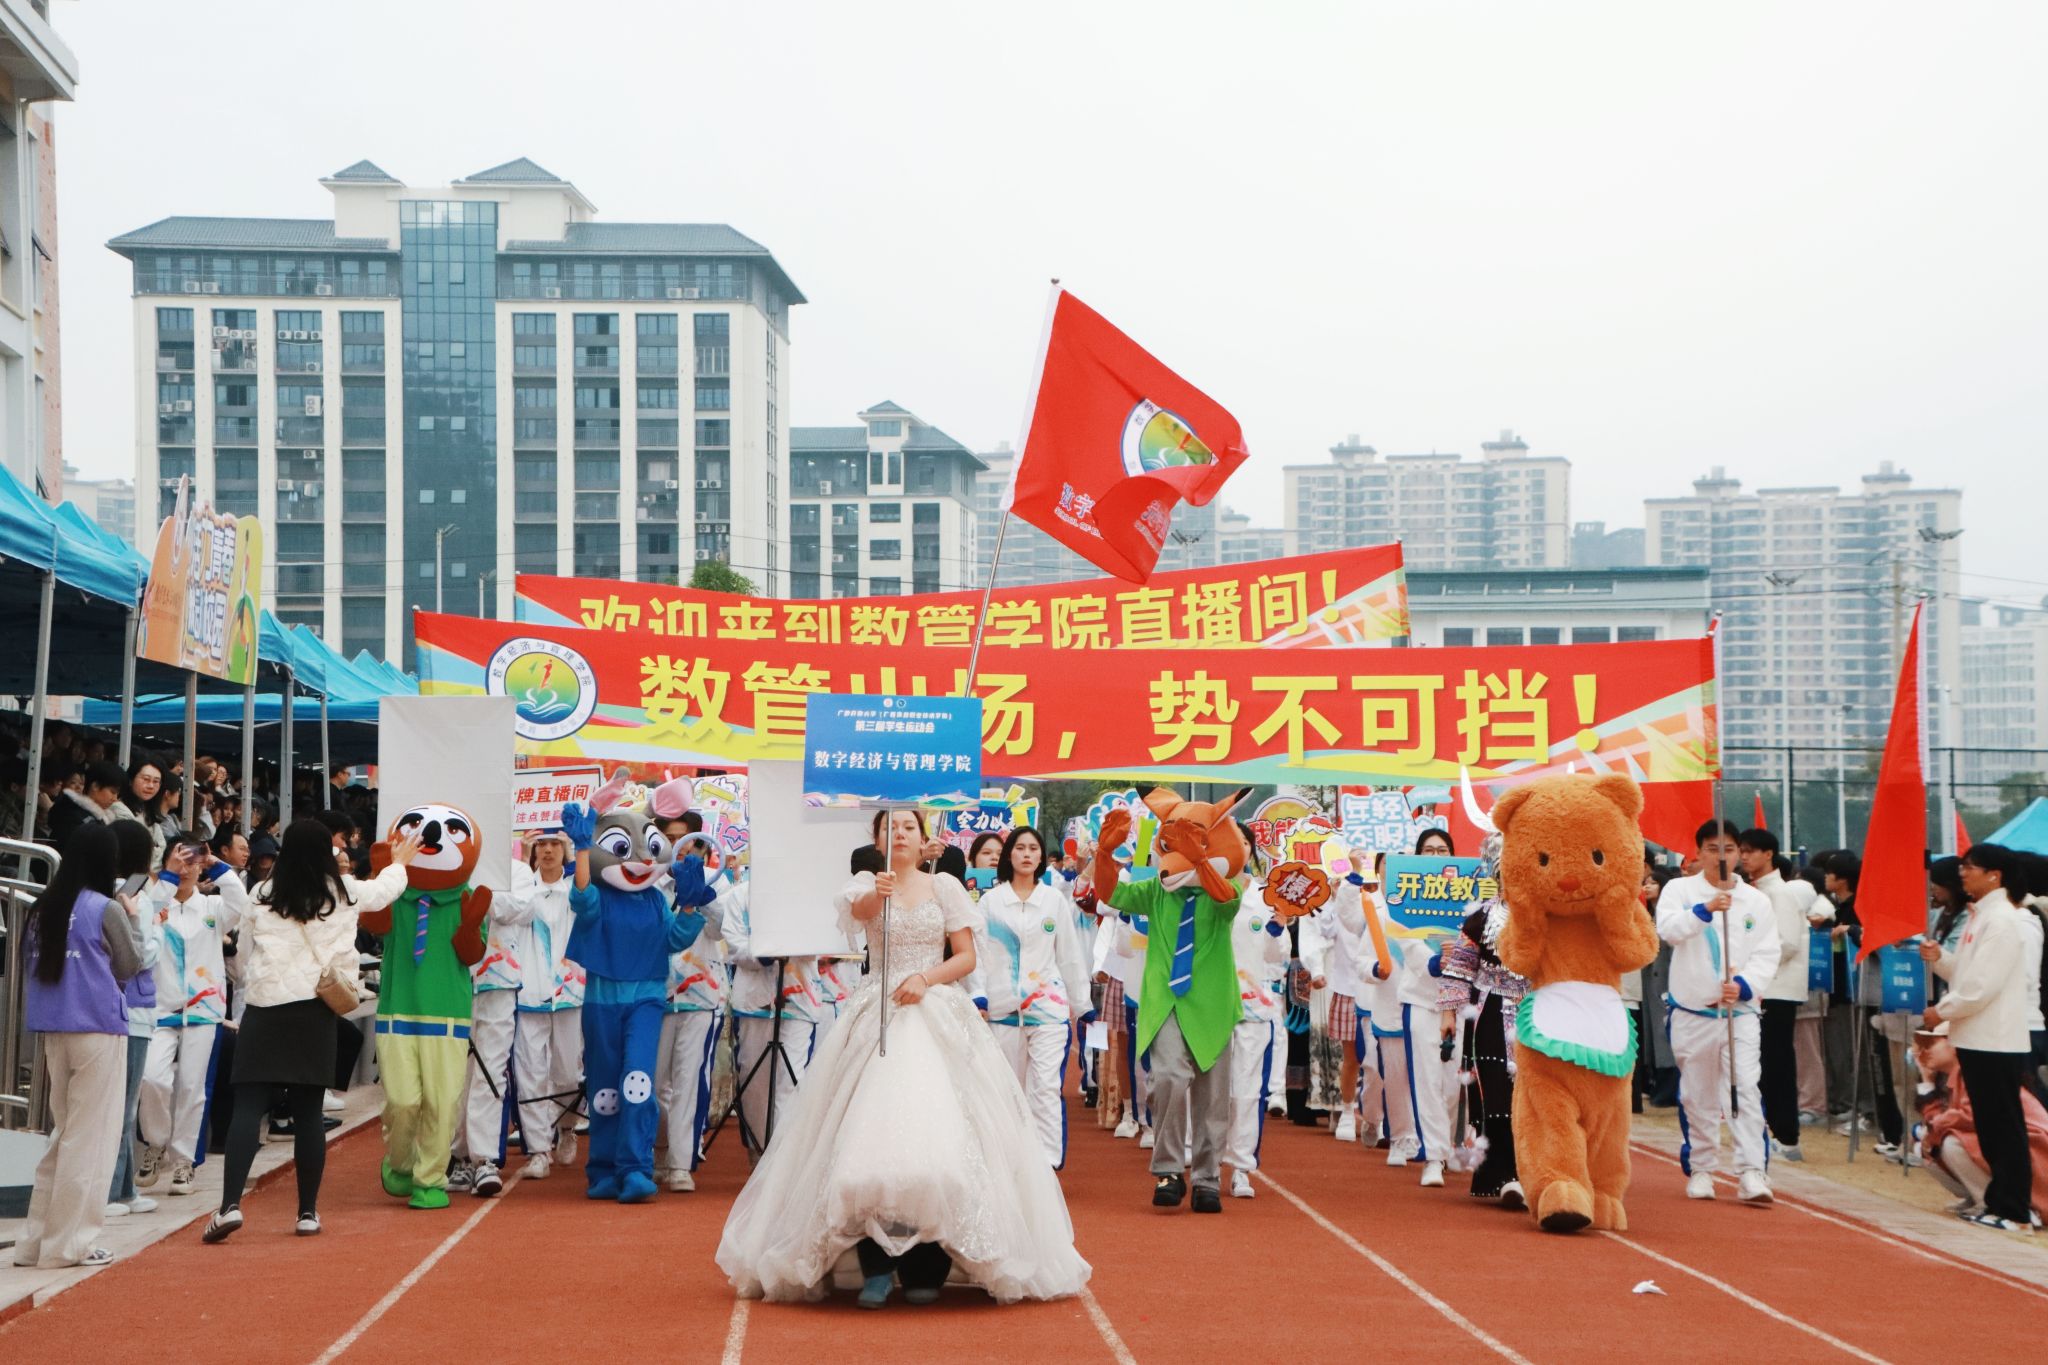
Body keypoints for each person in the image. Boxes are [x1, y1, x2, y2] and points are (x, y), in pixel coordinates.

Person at [717, 808, 1090, 1307]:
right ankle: (875, 1264)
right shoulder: (864, 885)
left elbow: (965, 956)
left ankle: (928, 1265)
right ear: (877, 840)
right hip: (876, 1016)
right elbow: (860, 916)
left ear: (923, 836)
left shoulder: (946, 887)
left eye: (909, 827)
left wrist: (925, 979)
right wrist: (879, 891)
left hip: (935, 1009)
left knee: (942, 1146)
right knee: (865, 1148)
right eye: (890, 828)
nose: (901, 834)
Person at [202, 820, 418, 1242]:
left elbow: (242, 957)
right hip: (316, 1011)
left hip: (265, 1009)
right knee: (307, 1114)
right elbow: (384, 891)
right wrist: (399, 862)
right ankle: (307, 1213)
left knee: (249, 1107)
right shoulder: (343, 890)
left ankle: (229, 1206)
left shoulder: (262, 893)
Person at [12, 823, 147, 1268]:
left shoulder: (44, 907)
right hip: (98, 1027)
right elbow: (129, 965)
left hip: (54, 1028)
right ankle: (69, 1245)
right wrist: (132, 916)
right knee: (91, 1141)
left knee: (64, 1135)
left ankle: (35, 1242)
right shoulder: (105, 907)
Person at [1656, 818, 1780, 1204]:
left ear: (1739, 853)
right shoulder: (1679, 890)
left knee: (1745, 1087)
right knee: (1697, 1094)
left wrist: (1744, 985)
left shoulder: (1756, 901)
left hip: (1738, 1013)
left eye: (1728, 849)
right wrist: (1705, 909)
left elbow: (1768, 952)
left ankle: (1752, 1171)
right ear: (1698, 853)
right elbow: (1668, 930)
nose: (1721, 857)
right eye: (1712, 849)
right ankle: (1702, 1168)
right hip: (1692, 1012)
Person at [1919, 843, 2038, 1231]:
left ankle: (2016, 1210)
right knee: (1989, 1124)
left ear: (1994, 875)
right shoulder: (1979, 917)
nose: (1962, 873)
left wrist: (1942, 1011)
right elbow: (1966, 975)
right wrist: (1940, 959)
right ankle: (1999, 1202)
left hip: (1996, 1038)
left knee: (2004, 1125)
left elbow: (1981, 987)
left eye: (1971, 867)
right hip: (1975, 1036)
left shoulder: (2002, 920)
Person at [974, 825, 1093, 1168]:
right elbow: (979, 955)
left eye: (1033, 848)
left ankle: (1047, 1163)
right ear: (1009, 854)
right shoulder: (991, 902)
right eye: (1020, 848)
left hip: (1048, 1011)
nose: (1027, 854)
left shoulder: (1053, 900)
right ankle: (1011, 1164)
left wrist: (1082, 1004)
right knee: (1007, 1090)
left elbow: (1069, 954)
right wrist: (978, 995)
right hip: (1002, 1010)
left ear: (1041, 856)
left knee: (1044, 1087)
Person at [136, 832, 247, 1197]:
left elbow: (241, 902)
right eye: (179, 859)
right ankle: (155, 1143)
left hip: (204, 1011)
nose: (187, 867)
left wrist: (216, 864)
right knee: (152, 1078)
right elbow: (144, 921)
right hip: (160, 1009)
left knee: (192, 1087)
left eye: (193, 860)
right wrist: (168, 876)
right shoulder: (156, 902)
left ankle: (184, 1161)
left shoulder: (213, 907)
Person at [1913, 1021, 2048, 1223]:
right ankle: (1979, 1197)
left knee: (1951, 1142)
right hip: (2021, 1152)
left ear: (1954, 1043)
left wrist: (1936, 1128)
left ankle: (2003, 1205)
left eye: (1929, 1043)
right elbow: (1940, 1123)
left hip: (2037, 1152)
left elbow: (1968, 1117)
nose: (1923, 1052)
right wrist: (1927, 1082)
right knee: (1928, 1144)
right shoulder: (1958, 1076)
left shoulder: (1975, 1072)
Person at [509, 829, 586, 1180]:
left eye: (555, 843)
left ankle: (567, 1127)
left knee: (569, 1073)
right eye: (542, 844)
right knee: (530, 1076)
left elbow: (588, 904)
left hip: (570, 995)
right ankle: (539, 1149)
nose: (548, 850)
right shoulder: (524, 891)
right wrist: (523, 867)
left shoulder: (575, 893)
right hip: (530, 995)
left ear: (565, 848)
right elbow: (516, 912)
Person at [1739, 827, 1817, 1162]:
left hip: (1776, 989)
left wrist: (1749, 964)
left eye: (1750, 851)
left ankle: (1787, 1137)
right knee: (1762, 1064)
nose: (1744, 857)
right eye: (1741, 851)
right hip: (1760, 988)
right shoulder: (1753, 891)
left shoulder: (1780, 893)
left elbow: (1787, 943)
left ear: (1768, 854)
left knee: (1777, 1063)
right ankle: (1770, 1130)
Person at [655, 842, 730, 1192]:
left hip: (700, 995)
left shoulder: (717, 881)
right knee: (655, 1083)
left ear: (702, 847)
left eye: (690, 845)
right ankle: (657, 1151)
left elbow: (721, 930)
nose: (682, 851)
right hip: (655, 995)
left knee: (688, 1080)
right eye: (673, 842)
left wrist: (703, 895)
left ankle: (680, 1163)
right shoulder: (652, 881)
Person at [106, 819, 163, 1219]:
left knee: (122, 1106)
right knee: (122, 1107)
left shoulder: (102, 891)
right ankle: (112, 1192)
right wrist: (154, 927)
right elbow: (144, 956)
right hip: (134, 1010)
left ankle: (124, 1189)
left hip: (120, 1007)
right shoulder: (135, 897)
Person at [1226, 857, 1291, 1197]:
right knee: (1208, 1090)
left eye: (1241, 844)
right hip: (1211, 1005)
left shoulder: (1267, 898)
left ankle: (1241, 1167)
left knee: (1246, 1091)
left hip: (1252, 1007)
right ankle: (1202, 1160)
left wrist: (1277, 930)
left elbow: (1277, 956)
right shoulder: (1203, 889)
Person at [47, 759, 127, 851]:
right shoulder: (72, 817)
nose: (115, 798)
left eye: (117, 794)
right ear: (95, 786)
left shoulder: (98, 818)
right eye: (112, 792)